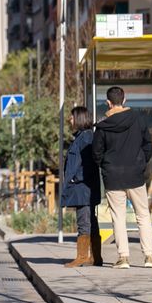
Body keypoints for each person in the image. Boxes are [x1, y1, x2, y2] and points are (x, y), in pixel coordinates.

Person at [93, 86, 152, 270]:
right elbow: (148, 145)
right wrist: (140, 163)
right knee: (143, 215)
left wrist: (105, 166)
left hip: (113, 176)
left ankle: (123, 258)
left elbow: (96, 152)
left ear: (108, 102)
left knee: (118, 217)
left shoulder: (103, 126)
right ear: (125, 99)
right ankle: (149, 257)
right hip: (135, 175)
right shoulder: (138, 120)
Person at [62, 106, 103, 267]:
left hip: (83, 187)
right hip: (84, 186)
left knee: (84, 221)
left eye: (72, 117)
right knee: (90, 220)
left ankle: (83, 257)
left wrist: (75, 179)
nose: (69, 120)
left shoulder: (85, 137)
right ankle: (95, 257)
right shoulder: (83, 136)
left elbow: (87, 164)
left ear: (79, 118)